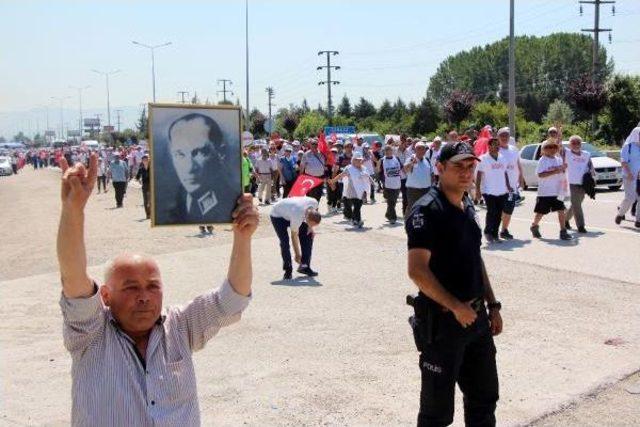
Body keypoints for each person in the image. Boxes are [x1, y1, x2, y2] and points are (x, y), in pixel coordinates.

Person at [56, 153, 259, 426]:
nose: (144, 296)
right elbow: (73, 276)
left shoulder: (179, 327)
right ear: (105, 296)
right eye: (130, 287)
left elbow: (232, 299)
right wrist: (73, 211)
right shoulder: (90, 335)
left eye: (153, 286)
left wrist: (242, 237)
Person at [405, 141, 502, 426]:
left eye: (470, 166)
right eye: (457, 166)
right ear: (439, 168)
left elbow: (476, 258)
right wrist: (456, 306)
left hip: (476, 321)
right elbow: (417, 271)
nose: (466, 172)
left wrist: (492, 304)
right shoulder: (426, 211)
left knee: (484, 400)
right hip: (444, 324)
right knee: (436, 413)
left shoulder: (466, 204)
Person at [161, 113, 239, 224]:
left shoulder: (232, 203)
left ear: (220, 153)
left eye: (199, 152)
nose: (189, 167)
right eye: (180, 154)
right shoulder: (172, 204)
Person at [270, 196, 321, 279]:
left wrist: (310, 227)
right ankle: (288, 269)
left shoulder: (314, 202)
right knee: (284, 242)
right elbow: (294, 236)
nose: (312, 226)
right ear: (307, 218)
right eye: (311, 223)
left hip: (291, 210)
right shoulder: (297, 215)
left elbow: (315, 213)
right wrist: (297, 254)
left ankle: (304, 266)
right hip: (278, 215)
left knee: (309, 235)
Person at [530, 140, 572, 240]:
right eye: (548, 147)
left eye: (554, 147)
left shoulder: (558, 159)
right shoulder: (543, 160)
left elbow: (562, 174)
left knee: (561, 210)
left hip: (558, 191)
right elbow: (540, 174)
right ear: (544, 150)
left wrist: (563, 168)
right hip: (545, 192)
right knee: (541, 212)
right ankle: (534, 225)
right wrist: (556, 171)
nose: (552, 149)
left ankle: (563, 231)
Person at [475, 137, 509, 243]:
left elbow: (505, 172)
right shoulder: (483, 158)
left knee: (499, 213)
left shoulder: (502, 158)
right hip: (488, 190)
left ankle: (495, 234)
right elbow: (479, 175)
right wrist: (478, 190)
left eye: (498, 144)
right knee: (492, 211)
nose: (497, 146)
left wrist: (508, 185)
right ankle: (488, 232)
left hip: (501, 190)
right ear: (489, 146)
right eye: (494, 144)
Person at [329, 152, 371, 228]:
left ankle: (354, 219)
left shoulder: (364, 168)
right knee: (357, 205)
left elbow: (368, 178)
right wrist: (333, 181)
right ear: (353, 160)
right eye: (357, 159)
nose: (359, 161)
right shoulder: (349, 168)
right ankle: (357, 220)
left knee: (358, 206)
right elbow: (340, 175)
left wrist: (371, 185)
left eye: (360, 160)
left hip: (361, 191)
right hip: (352, 191)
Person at [497, 127, 524, 239]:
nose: (504, 137)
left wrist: (521, 179)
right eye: (502, 135)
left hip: (512, 186)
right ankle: (493, 229)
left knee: (509, 209)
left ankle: (504, 230)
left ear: (509, 137)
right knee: (498, 210)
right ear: (498, 137)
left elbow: (518, 164)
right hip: (498, 186)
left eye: (506, 135)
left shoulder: (514, 149)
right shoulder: (495, 150)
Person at [564, 135, 594, 233]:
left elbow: (590, 166)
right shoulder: (567, 153)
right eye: (574, 143)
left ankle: (565, 219)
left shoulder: (586, 154)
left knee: (576, 204)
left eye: (578, 143)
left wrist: (593, 176)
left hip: (583, 184)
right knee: (577, 205)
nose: (576, 145)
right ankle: (581, 226)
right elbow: (558, 145)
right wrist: (558, 133)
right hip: (572, 183)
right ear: (570, 144)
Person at [615, 127, 640, 228]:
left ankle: (638, 220)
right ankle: (620, 214)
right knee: (630, 198)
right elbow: (623, 161)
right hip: (630, 176)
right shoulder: (628, 146)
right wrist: (629, 173)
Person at [403, 141, 433, 215]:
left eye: (423, 149)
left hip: (426, 190)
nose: (421, 150)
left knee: (425, 209)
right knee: (412, 209)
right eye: (419, 148)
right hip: (414, 191)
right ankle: (408, 224)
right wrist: (412, 163)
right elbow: (405, 170)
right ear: (415, 150)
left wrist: (432, 186)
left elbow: (431, 174)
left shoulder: (427, 160)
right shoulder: (410, 159)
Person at [378, 145, 402, 224]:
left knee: (393, 201)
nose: (388, 152)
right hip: (387, 184)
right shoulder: (382, 160)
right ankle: (393, 218)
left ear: (392, 151)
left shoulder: (397, 159)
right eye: (386, 150)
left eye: (389, 150)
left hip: (397, 183)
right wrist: (381, 182)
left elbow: (402, 169)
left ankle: (388, 214)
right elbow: (378, 171)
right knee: (391, 201)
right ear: (384, 152)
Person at [136, 154, 152, 220]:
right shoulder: (141, 169)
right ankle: (148, 215)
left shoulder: (152, 168)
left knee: (151, 200)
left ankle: (152, 214)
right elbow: (137, 177)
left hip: (152, 186)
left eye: (146, 159)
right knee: (146, 201)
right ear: (142, 161)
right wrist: (138, 180)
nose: (145, 161)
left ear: (149, 160)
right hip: (145, 186)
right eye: (144, 160)